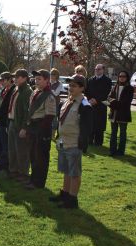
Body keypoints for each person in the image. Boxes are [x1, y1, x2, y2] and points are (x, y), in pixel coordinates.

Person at [49, 74, 92, 209]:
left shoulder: (84, 105)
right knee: (66, 170)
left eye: (74, 85)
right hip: (63, 141)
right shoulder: (67, 101)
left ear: (82, 88)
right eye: (69, 85)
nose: (70, 88)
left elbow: (87, 127)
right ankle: (65, 194)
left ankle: (72, 199)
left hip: (74, 143)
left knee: (74, 173)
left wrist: (82, 144)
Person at [25, 69, 56, 189]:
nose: (36, 81)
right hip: (33, 126)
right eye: (35, 79)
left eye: (39, 79)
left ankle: (39, 182)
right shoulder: (35, 92)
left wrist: (41, 131)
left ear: (47, 80)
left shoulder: (49, 96)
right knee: (33, 155)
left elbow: (49, 116)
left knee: (41, 157)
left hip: (42, 127)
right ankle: (33, 179)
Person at [7, 69, 33, 181]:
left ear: (24, 78)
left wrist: (24, 127)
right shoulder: (16, 89)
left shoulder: (27, 91)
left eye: (17, 77)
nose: (15, 79)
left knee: (22, 150)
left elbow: (27, 112)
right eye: (14, 77)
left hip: (20, 124)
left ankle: (23, 173)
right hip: (12, 121)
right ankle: (13, 170)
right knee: (12, 149)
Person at [106, 70, 134, 156]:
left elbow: (126, 102)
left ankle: (121, 151)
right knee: (113, 133)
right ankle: (112, 150)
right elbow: (109, 98)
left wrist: (114, 103)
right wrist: (112, 102)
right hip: (114, 113)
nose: (121, 78)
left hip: (123, 114)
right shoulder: (115, 86)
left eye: (123, 76)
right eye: (120, 76)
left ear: (127, 78)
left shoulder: (130, 88)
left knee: (122, 133)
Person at [0, 72, 15, 171]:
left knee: (6, 145)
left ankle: (5, 167)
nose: (0, 82)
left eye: (2, 80)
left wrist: (6, 122)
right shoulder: (3, 90)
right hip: (0, 121)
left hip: (6, 122)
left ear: (9, 79)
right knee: (0, 144)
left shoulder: (13, 90)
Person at [85, 64, 112, 146]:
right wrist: (90, 99)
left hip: (100, 105)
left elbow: (106, 93)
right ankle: (90, 140)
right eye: (96, 69)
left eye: (99, 69)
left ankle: (98, 142)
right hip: (91, 105)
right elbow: (87, 91)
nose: (97, 70)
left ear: (103, 70)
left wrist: (96, 100)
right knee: (90, 123)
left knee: (99, 125)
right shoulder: (90, 80)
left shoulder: (107, 80)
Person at [50, 68, 64, 138]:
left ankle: (53, 135)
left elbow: (56, 93)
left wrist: (48, 89)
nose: (52, 75)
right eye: (51, 74)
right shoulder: (47, 82)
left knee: (54, 119)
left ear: (57, 76)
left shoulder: (59, 84)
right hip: (47, 103)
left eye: (54, 74)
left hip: (55, 103)